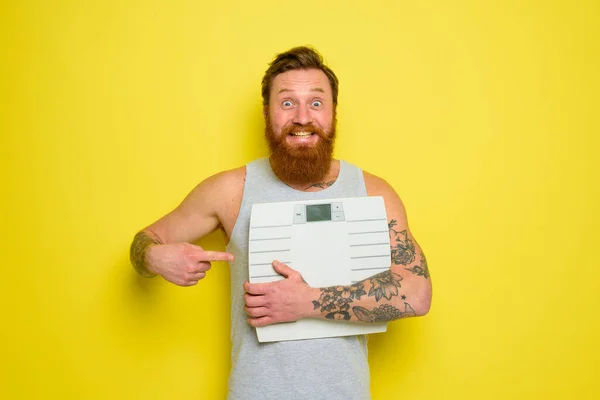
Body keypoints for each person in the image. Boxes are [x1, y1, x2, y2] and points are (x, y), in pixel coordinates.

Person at [130, 46, 432, 400]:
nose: (302, 117)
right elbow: (145, 241)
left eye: (316, 103)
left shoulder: (373, 192)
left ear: (334, 113)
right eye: (287, 103)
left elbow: (418, 293)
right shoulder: (230, 190)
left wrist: (308, 301)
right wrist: (155, 258)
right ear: (266, 113)